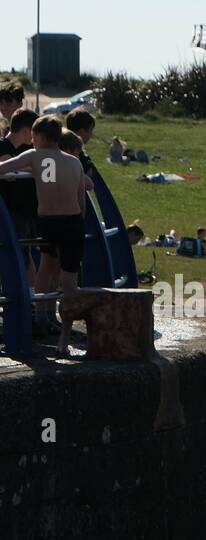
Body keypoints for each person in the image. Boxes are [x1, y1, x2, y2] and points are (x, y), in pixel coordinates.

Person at [0, 115, 86, 355]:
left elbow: (4, 168)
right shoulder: (74, 162)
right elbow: (81, 200)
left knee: (46, 267)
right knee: (69, 282)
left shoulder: (34, 155)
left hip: (48, 223)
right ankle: (64, 340)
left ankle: (39, 318)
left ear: (38, 136)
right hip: (73, 223)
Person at [0, 109, 38, 289]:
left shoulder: (29, 151)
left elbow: (45, 170)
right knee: (18, 256)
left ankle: (31, 298)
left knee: (26, 254)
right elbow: (6, 165)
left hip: (27, 211)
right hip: (9, 211)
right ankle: (25, 298)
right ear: (25, 131)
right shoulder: (2, 146)